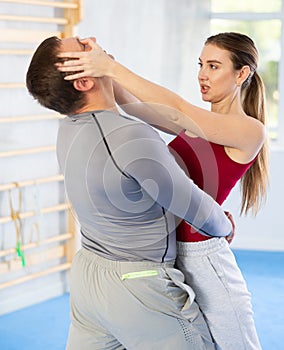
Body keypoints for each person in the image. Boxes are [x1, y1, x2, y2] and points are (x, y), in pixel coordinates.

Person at [56, 32, 269, 350]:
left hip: (203, 257)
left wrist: (112, 69)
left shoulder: (250, 130)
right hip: (166, 256)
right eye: (201, 64)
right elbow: (136, 106)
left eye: (213, 66)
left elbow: (178, 107)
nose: (202, 74)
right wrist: (104, 66)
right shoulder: (192, 124)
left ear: (242, 74)